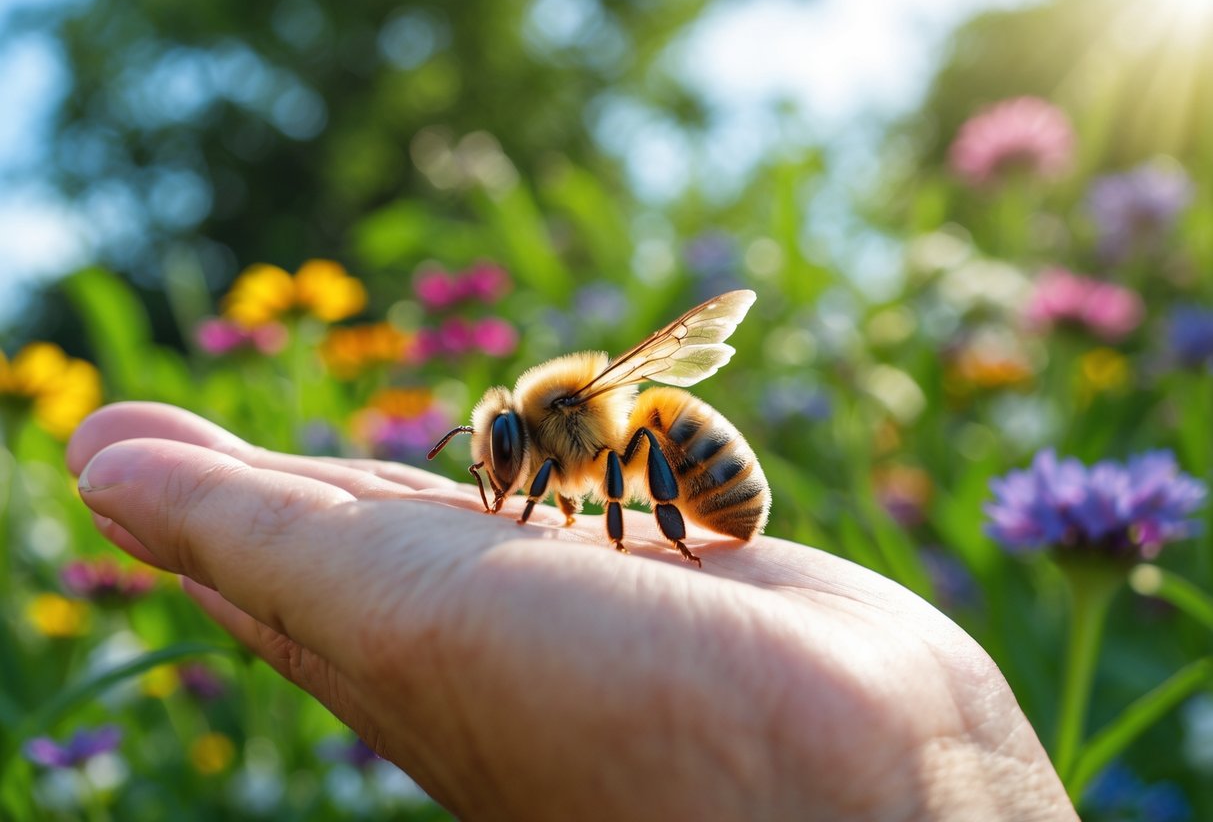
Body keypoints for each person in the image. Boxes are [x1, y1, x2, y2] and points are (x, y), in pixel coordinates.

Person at [67, 401, 1077, 820]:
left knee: (648, 451)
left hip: (700, 487)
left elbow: (602, 472)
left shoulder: (578, 430)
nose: (494, 474)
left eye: (500, 454)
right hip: (692, 499)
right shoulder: (552, 443)